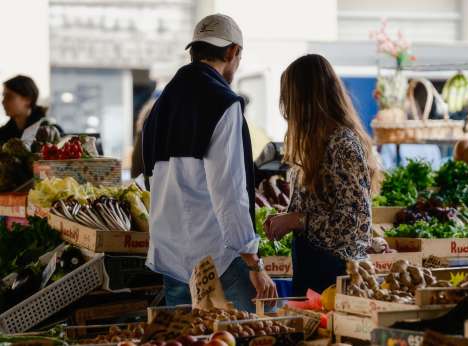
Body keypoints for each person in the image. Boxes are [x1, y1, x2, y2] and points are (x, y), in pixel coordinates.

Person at [142, 14, 277, 311]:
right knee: (264, 328)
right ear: (233, 52)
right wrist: (254, 264)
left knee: (188, 338)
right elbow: (229, 192)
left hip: (171, 256)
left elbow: (150, 179)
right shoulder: (223, 102)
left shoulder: (161, 105)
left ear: (195, 51)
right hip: (218, 257)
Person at [264, 54, 382, 296]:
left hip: (335, 279)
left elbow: (356, 225)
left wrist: (297, 220)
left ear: (307, 99)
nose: (286, 108)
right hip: (312, 274)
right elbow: (323, 209)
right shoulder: (318, 144)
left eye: (289, 97)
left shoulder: (342, 145)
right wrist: (287, 219)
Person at [1, 75, 49, 144]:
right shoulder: (3, 135)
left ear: (28, 99)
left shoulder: (50, 132)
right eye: (4, 96)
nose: (3, 101)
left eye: (9, 96)